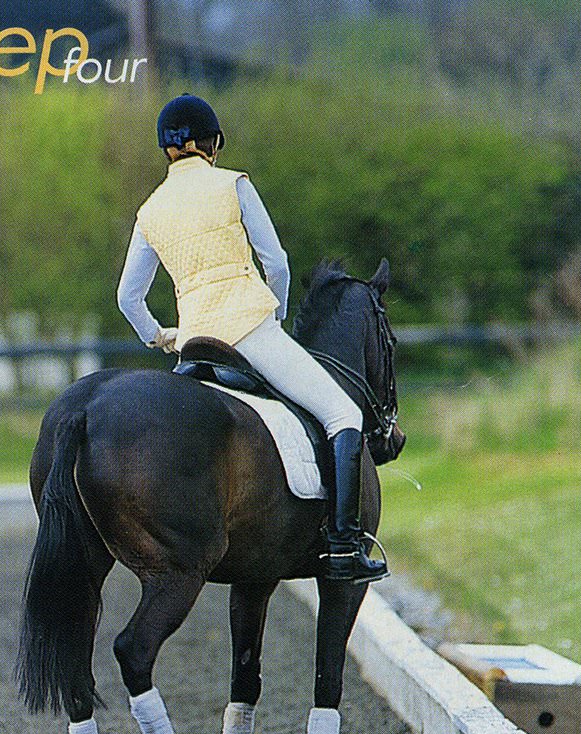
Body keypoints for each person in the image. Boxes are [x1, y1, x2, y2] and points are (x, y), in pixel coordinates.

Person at [117, 94, 388, 583]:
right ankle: (345, 545)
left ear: (167, 150)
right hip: (250, 330)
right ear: (213, 143)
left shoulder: (150, 211)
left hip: (194, 345)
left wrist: (159, 336)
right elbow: (277, 263)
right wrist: (275, 316)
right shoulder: (233, 184)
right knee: (344, 414)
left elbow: (127, 298)